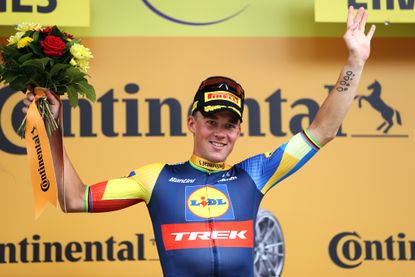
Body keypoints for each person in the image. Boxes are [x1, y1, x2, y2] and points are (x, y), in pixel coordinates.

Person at [23, 6, 375, 277]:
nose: (221, 132)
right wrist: (50, 124)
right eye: (211, 121)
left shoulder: (254, 173)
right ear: (192, 122)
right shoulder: (155, 179)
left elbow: (322, 130)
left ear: (239, 132)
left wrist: (355, 61)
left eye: (230, 124)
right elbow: (73, 198)